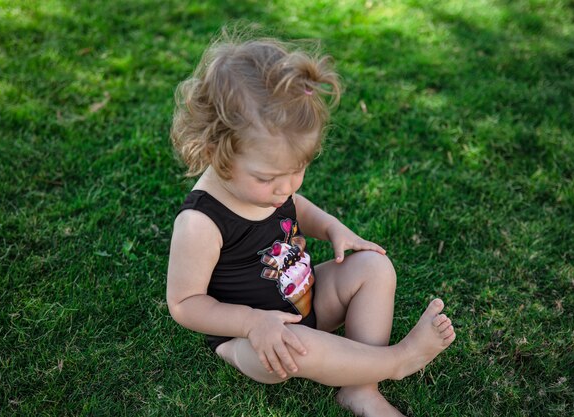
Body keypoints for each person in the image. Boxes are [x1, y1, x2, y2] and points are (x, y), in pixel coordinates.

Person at [166, 30, 456, 417]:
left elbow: (296, 206)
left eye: (297, 169)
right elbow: (185, 304)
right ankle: (398, 361)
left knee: (374, 266)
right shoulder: (200, 222)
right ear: (213, 151)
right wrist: (253, 324)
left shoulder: (271, 187)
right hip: (253, 339)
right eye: (268, 178)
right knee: (296, 345)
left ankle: (359, 388)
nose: (284, 188)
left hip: (308, 298)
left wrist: (332, 227)